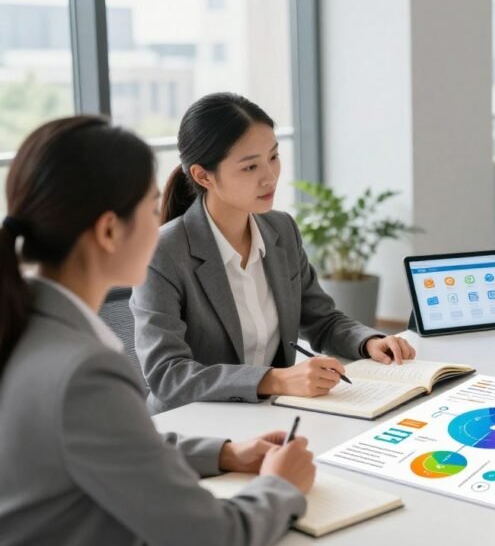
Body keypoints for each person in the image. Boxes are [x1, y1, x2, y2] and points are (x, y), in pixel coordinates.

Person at [0, 116, 316, 546]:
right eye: (151, 209)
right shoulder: (83, 370)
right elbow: (217, 545)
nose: (162, 223)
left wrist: (224, 453)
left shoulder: (27, 322)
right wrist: (282, 487)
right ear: (109, 231)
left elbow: (107, 443)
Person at [131, 92, 416, 413]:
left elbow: (321, 320)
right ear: (202, 175)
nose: (270, 176)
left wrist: (367, 342)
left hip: (269, 415)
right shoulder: (161, 253)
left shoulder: (280, 230)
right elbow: (168, 375)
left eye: (274, 157)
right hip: (190, 426)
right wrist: (275, 380)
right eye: (250, 166)